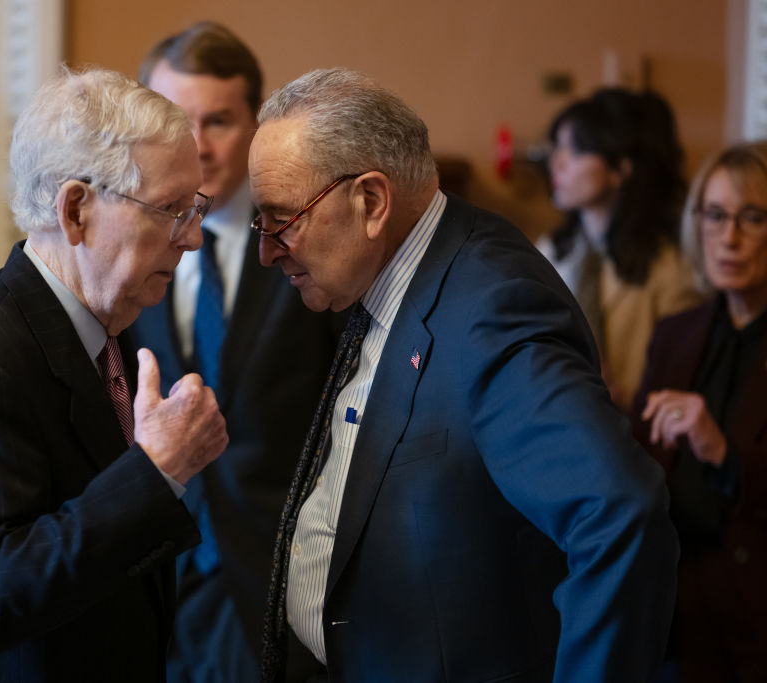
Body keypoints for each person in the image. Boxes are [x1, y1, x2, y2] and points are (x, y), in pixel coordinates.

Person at [252, 68, 679, 682]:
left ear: (370, 202)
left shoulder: (493, 310)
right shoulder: (395, 274)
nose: (267, 249)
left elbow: (620, 516)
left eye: (282, 219)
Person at [0, 66, 229, 681]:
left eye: (194, 207)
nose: (194, 238)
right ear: (76, 211)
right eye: (171, 209)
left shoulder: (106, 324)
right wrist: (156, 473)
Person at [130, 21, 336, 682]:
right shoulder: (121, 247)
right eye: (175, 120)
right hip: (152, 571)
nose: (198, 145)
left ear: (256, 120)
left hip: (278, 574)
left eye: (218, 120)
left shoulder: (311, 236)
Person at [632, 140, 767, 683]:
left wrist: (722, 453)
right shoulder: (675, 334)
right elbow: (639, 462)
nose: (728, 238)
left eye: (752, 218)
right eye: (715, 215)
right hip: (672, 606)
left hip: (751, 608)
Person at [539, 88, 703, 409]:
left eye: (573, 151)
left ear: (619, 170)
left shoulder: (670, 269)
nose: (556, 163)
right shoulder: (553, 251)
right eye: (557, 148)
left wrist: (618, 395)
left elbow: (679, 387)